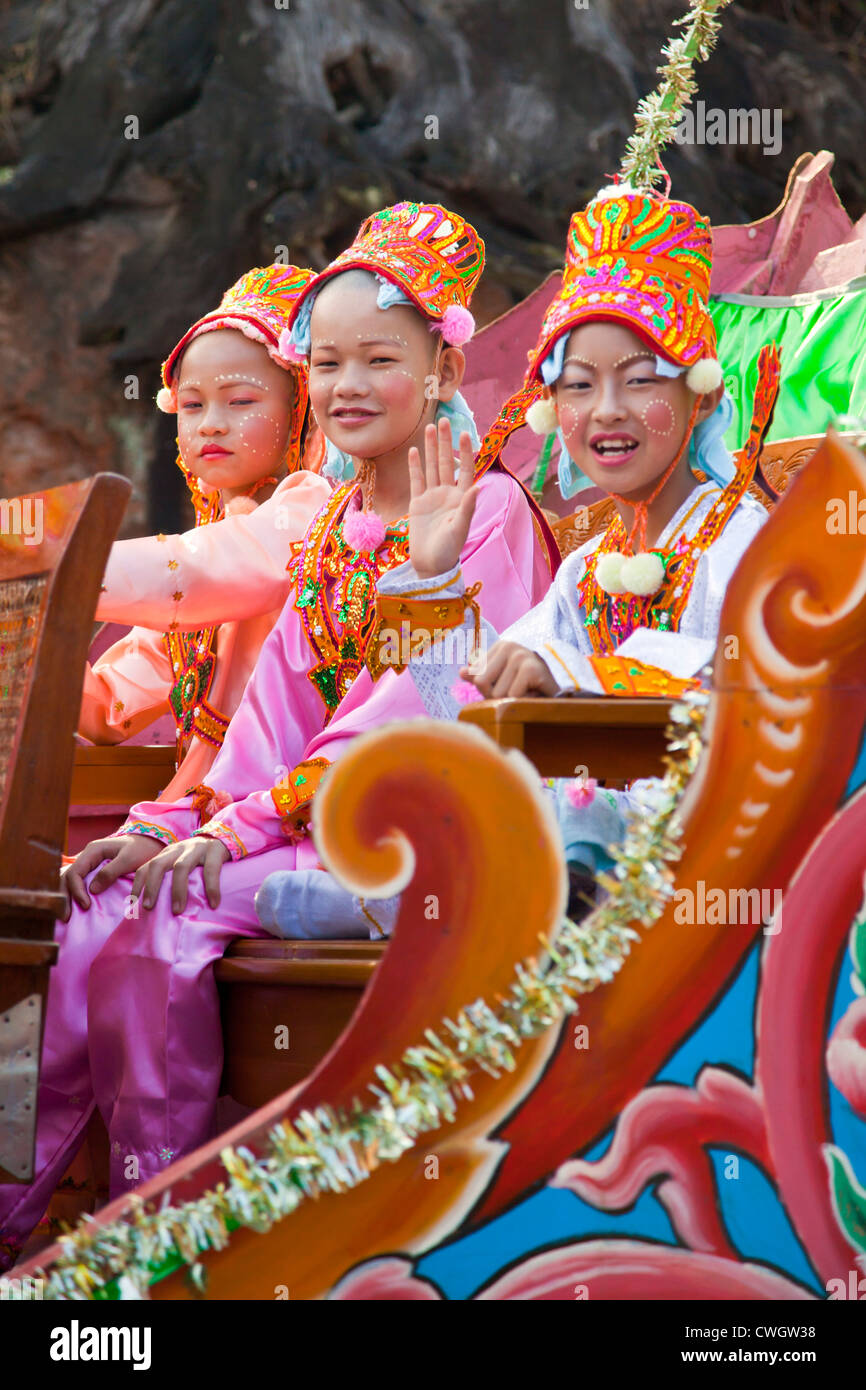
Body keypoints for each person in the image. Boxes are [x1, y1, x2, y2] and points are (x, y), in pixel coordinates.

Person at [0, 202, 554, 1267]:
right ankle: (36, 1227)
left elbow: (410, 718)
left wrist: (235, 831)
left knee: (170, 916)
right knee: (99, 900)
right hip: (299, 822)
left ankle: (157, 1234)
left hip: (410, 831)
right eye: (330, 360)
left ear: (442, 368)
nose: (347, 386)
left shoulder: (481, 511)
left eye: (377, 360)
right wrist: (167, 820)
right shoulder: (339, 529)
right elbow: (269, 721)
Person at [282, 184, 772, 930]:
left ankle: (419, 897)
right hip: (582, 859)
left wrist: (573, 677)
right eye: (578, 385)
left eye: (639, 380)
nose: (605, 408)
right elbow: (467, 707)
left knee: (547, 818)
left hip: (706, 872)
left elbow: (755, 703)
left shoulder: (744, 539)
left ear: (701, 396)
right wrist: (434, 576)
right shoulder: (588, 570)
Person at [78, 263, 331, 803]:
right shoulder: (203, 554)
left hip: (284, 805)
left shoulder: (314, 509)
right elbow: (108, 706)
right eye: (192, 405)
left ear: (300, 411)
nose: (210, 423)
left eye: (240, 401)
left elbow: (205, 570)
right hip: (195, 810)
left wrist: (58, 566)